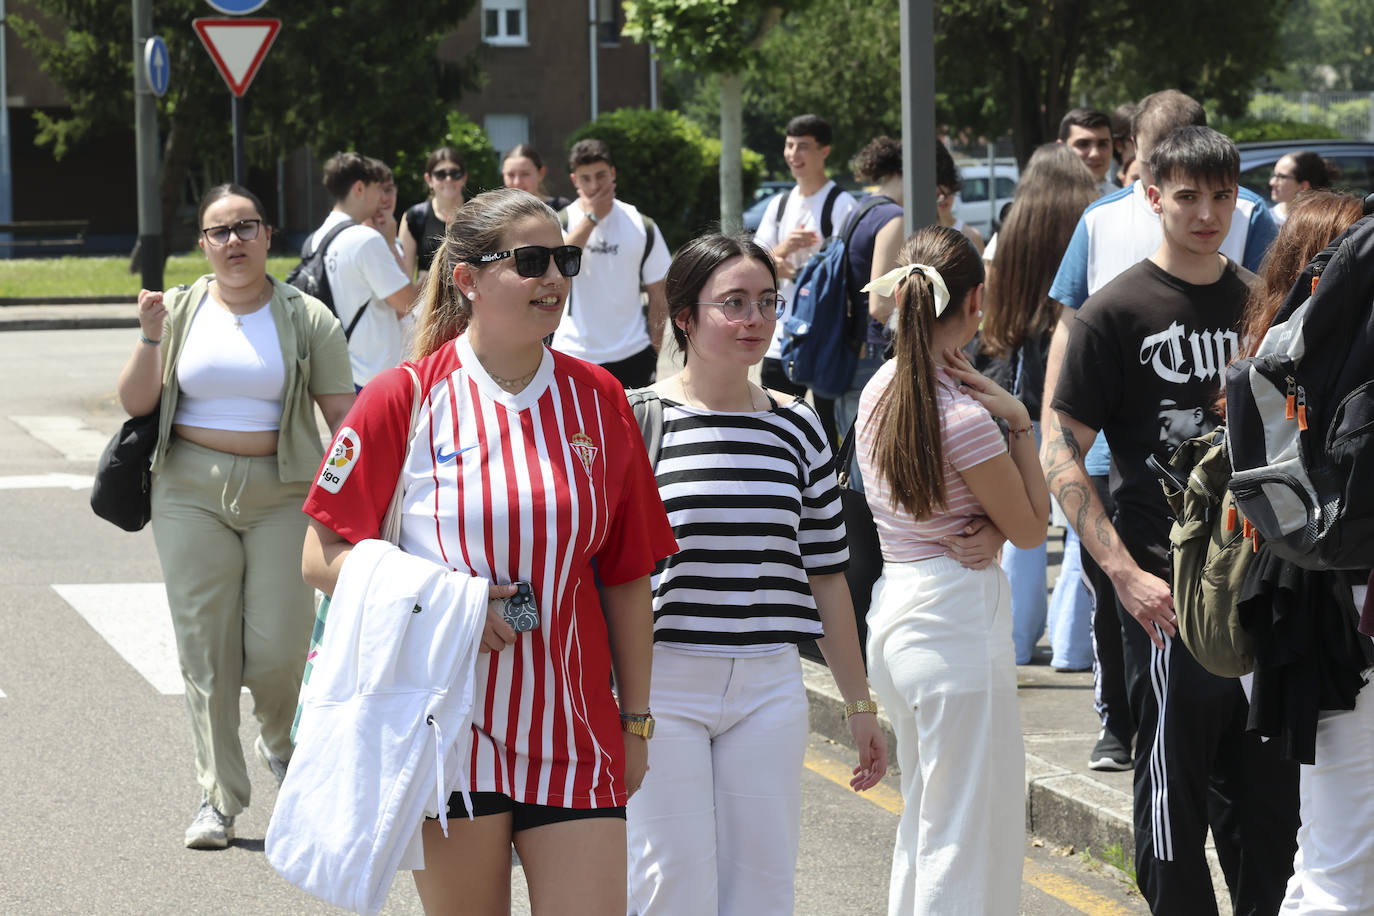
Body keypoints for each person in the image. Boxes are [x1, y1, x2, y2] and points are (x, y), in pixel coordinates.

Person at [300, 187, 676, 914]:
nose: (554, 280)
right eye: (531, 262)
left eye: (562, 260)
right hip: (447, 732)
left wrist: (636, 720)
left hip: (574, 730)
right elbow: (320, 556)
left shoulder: (601, 399)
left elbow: (628, 575)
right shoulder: (402, 396)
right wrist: (447, 604)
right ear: (467, 279)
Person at [1044, 125, 1298, 914]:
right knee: (1170, 813)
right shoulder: (1112, 314)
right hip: (1165, 597)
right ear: (1150, 196)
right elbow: (1060, 451)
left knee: (1268, 816)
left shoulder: (1265, 304)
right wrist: (1124, 574)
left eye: (1222, 195)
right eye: (1187, 195)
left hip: (1260, 595)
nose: (1206, 213)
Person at [624, 234, 887, 915]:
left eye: (767, 302)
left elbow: (827, 573)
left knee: (763, 887)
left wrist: (859, 705)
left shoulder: (800, 426)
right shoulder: (637, 420)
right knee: (670, 883)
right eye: (733, 304)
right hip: (664, 684)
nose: (755, 320)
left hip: (770, 683)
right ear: (685, 317)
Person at [115, 183, 356, 849]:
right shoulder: (184, 308)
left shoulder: (309, 318)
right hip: (189, 490)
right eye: (219, 231)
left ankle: (280, 742)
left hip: (284, 493)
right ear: (203, 244)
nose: (234, 241)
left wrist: (354, 501)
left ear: (267, 235)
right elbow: (136, 402)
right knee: (207, 649)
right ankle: (218, 799)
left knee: (280, 647)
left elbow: (344, 422)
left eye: (245, 227)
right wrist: (148, 335)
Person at [856, 225, 1050, 915]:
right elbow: (1033, 528)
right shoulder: (965, 416)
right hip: (955, 626)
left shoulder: (880, 389)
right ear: (974, 301)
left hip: (900, 614)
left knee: (930, 823)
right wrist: (1021, 424)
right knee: (967, 838)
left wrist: (995, 525)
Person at [1216, 189, 1373, 914]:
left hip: (1284, 611)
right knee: (1341, 868)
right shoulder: (1337, 374)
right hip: (1336, 621)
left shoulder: (1269, 364)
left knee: (1324, 854)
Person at [976, 144, 1099, 671]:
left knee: (1023, 525)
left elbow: (992, 319)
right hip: (1076, 381)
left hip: (1017, 391)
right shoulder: (1092, 224)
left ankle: (1018, 642)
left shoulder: (1013, 229)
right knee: (1081, 523)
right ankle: (1073, 648)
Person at [753, 113, 858, 444]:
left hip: (826, 334)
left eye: (803, 147)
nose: (793, 155)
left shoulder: (841, 204)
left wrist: (794, 270)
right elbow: (754, 261)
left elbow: (848, 272)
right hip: (782, 335)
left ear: (824, 151)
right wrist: (784, 248)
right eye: (789, 145)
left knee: (828, 428)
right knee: (776, 423)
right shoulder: (780, 204)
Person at [551, 139, 671, 389]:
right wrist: (593, 216)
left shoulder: (641, 223)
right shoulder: (559, 223)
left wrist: (654, 350)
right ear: (574, 181)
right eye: (585, 178)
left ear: (613, 173)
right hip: (574, 353)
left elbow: (659, 293)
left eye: (601, 175)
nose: (594, 186)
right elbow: (560, 261)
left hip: (634, 353)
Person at [306, 152, 418, 391]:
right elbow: (407, 303)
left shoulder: (315, 239)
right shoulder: (366, 239)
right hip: (373, 375)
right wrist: (389, 242)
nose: (381, 198)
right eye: (377, 188)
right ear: (359, 188)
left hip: (336, 372)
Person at [836, 135, 904, 467]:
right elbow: (879, 304)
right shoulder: (893, 217)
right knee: (872, 465)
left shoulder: (860, 209)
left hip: (850, 349)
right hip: (874, 351)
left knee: (853, 458)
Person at [399, 147, 468, 286]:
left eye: (455, 173)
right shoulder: (414, 216)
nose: (448, 179)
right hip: (431, 302)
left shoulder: (479, 213)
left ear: (464, 178)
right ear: (429, 179)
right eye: (440, 174)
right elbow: (405, 276)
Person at [935, 140, 985, 256]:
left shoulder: (971, 236)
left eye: (948, 193)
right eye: (937, 194)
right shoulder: (919, 233)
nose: (943, 198)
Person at [1058, 107, 1117, 196]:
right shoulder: (1042, 202)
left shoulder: (1129, 205)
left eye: (1102, 144)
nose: (1095, 154)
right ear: (1060, 148)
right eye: (1083, 144)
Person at [1268, 150, 1334, 224]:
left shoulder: (1325, 223)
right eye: (1273, 174)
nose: (1272, 182)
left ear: (1303, 186)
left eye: (1282, 177)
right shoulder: (1266, 219)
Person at [501, 144, 572, 211]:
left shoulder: (561, 208)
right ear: (503, 174)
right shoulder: (497, 211)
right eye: (511, 175)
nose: (517, 182)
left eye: (525, 174)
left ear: (541, 174)